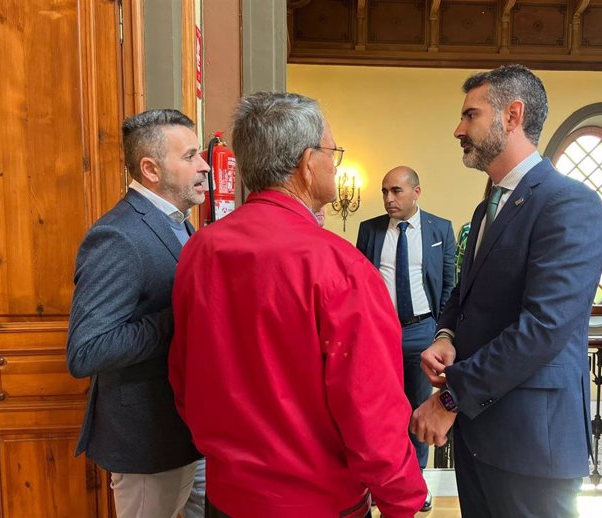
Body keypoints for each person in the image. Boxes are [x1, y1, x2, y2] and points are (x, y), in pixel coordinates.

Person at [168, 92, 426, 518]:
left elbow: (183, 377)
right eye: (332, 152)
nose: (334, 163)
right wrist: (402, 501)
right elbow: (371, 408)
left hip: (229, 496)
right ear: (308, 164)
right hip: (316, 500)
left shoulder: (200, 250)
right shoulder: (340, 267)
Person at [409, 64, 602, 518]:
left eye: (471, 115)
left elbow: (544, 328)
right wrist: (446, 338)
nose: (458, 129)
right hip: (481, 436)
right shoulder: (487, 209)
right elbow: (466, 294)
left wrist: (451, 397)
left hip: (532, 443)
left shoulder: (568, 202)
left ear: (512, 115)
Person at [66, 109, 208, 518]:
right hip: (147, 439)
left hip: (188, 430)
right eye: (190, 156)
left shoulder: (180, 224)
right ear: (150, 169)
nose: (203, 167)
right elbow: (87, 351)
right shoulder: (117, 235)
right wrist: (183, 315)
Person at [356, 165, 455, 512]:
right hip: (379, 332)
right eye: (385, 191)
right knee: (380, 410)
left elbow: (447, 287)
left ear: (416, 192)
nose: (388, 198)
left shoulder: (440, 229)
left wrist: (440, 332)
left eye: (396, 191)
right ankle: (381, 482)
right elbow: (360, 284)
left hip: (421, 332)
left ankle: (416, 482)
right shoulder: (369, 230)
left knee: (418, 410)